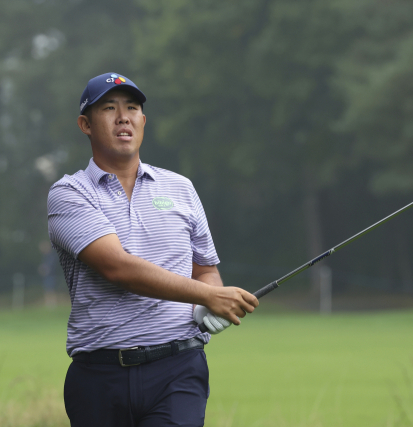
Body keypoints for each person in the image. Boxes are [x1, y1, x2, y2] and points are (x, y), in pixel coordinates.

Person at [47, 72, 258, 427]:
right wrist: (209, 294)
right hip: (99, 376)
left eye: (132, 108)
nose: (123, 117)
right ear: (85, 124)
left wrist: (208, 303)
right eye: (109, 108)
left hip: (178, 370)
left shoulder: (181, 188)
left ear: (143, 121)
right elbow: (118, 268)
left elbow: (204, 268)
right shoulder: (69, 194)